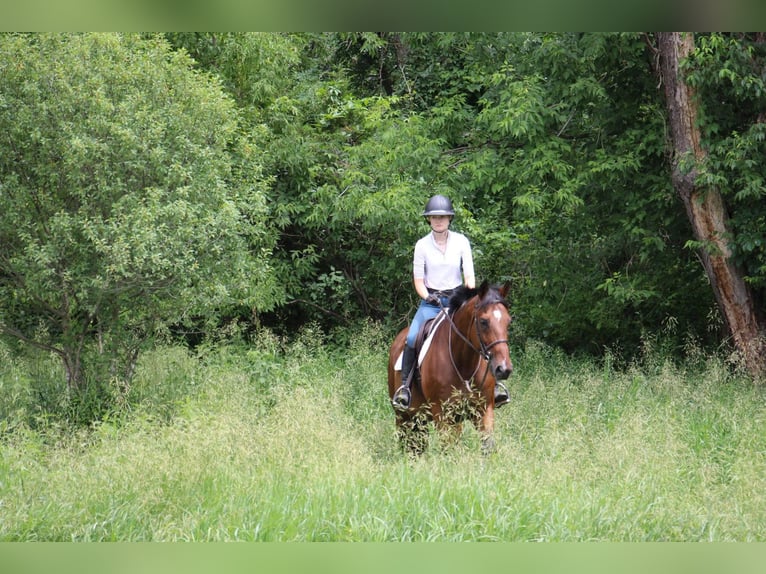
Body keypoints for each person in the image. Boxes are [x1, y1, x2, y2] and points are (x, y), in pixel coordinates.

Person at [392, 194, 510, 411]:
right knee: (411, 337)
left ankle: (494, 387)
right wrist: (428, 296)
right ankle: (405, 389)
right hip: (431, 302)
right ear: (429, 219)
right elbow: (418, 281)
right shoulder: (421, 245)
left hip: (458, 301)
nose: (439, 220)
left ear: (449, 219)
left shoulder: (461, 242)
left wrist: (468, 296)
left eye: (443, 217)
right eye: (434, 217)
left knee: (481, 333)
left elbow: (470, 277)